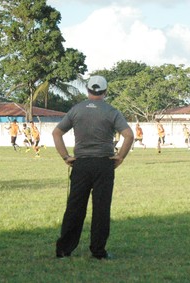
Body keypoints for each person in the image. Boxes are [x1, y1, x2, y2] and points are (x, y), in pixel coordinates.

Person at [52, 75, 134, 260]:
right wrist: (120, 156)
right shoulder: (112, 111)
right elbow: (128, 135)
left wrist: (66, 156)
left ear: (87, 90)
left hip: (80, 164)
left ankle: (64, 250)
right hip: (104, 164)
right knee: (101, 208)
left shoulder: (76, 110)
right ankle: (98, 251)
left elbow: (56, 133)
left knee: (74, 207)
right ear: (105, 91)